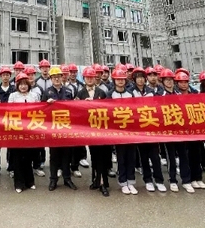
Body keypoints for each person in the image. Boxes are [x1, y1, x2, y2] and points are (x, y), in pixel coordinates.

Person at [77, 67, 110, 197]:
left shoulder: (102, 92)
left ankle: (103, 183)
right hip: (89, 131)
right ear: (84, 79)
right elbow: (75, 111)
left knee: (102, 157)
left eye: (91, 77)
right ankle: (95, 180)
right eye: (87, 77)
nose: (90, 79)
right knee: (94, 156)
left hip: (101, 130)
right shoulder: (80, 94)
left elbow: (108, 109)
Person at [131, 67, 165, 193]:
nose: (140, 80)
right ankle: (148, 180)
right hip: (139, 130)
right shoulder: (131, 92)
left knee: (155, 156)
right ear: (134, 79)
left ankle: (159, 180)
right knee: (143, 157)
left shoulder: (151, 92)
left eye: (142, 77)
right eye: (138, 78)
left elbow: (157, 107)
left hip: (151, 128)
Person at [45, 67, 77, 191]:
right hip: (53, 128)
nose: (57, 79)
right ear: (51, 79)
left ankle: (67, 178)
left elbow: (75, 108)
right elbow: (40, 110)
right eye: (54, 77)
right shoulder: (47, 92)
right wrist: (47, 104)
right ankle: (53, 179)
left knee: (66, 155)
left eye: (58, 76)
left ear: (62, 77)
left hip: (66, 128)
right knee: (54, 156)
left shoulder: (68, 91)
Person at [175, 71, 205, 190]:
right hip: (181, 129)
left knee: (196, 154)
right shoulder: (174, 95)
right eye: (181, 82)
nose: (183, 84)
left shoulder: (194, 93)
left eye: (185, 82)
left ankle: (198, 178)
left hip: (194, 128)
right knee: (185, 155)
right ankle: (188, 179)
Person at [8, 72, 39, 193]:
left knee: (29, 156)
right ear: (17, 85)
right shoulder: (13, 96)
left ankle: (30, 181)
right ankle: (19, 184)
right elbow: (9, 112)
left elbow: (39, 111)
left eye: (25, 84)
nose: (23, 86)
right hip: (17, 130)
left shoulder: (34, 96)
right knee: (17, 157)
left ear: (29, 85)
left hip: (30, 130)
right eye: (20, 84)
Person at [109, 69, 138, 195]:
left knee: (131, 157)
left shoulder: (130, 94)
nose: (120, 81)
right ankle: (123, 181)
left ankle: (131, 181)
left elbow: (136, 111)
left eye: (122, 79)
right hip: (117, 132)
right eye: (118, 79)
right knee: (121, 157)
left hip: (130, 131)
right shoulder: (110, 94)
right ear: (114, 80)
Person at [0, 66, 14, 177]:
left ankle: (11, 167)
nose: (5, 77)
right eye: (3, 75)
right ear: (0, 76)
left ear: (10, 76)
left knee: (11, 145)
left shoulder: (14, 89)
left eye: (7, 75)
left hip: (11, 121)